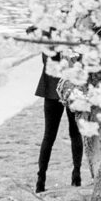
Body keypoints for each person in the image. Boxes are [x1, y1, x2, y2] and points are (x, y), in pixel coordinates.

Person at [35, 53, 84, 192]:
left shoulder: (48, 36)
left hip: (61, 88)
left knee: (56, 135)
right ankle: (43, 178)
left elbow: (47, 61)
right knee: (60, 134)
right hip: (65, 88)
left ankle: (75, 174)